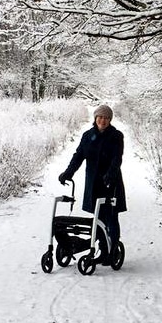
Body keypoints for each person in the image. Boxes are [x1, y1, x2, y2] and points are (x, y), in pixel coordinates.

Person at [58, 104, 126, 264]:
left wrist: (110, 175)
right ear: (95, 118)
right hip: (93, 183)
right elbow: (78, 156)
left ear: (110, 120)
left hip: (111, 183)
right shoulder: (87, 136)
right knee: (98, 218)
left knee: (111, 217)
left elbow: (117, 159)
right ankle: (103, 250)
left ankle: (113, 250)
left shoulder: (116, 136)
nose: (103, 120)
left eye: (106, 118)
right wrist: (68, 173)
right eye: (100, 117)